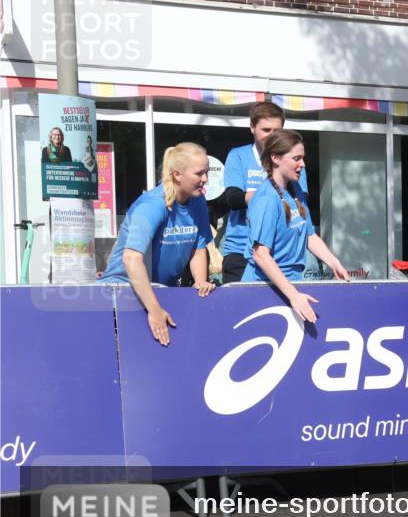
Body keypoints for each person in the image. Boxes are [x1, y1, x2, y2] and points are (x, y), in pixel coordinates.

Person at [98, 142, 216, 346]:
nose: (205, 179)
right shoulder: (152, 205)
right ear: (177, 174)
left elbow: (198, 246)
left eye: (206, 172)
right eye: (199, 174)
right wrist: (154, 310)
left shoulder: (198, 202)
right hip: (123, 293)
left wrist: (200, 282)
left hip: (160, 291)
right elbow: (131, 258)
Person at [241, 129, 350, 323]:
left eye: (303, 158)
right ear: (275, 158)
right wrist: (293, 295)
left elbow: (309, 235)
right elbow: (260, 254)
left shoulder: (295, 188)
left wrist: (334, 263)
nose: (303, 164)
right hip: (263, 290)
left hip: (290, 284)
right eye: (296, 158)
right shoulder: (267, 199)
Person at [220, 102, 306, 283]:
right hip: (240, 248)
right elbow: (233, 199)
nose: (272, 136)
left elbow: (299, 204)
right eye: (266, 130)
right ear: (252, 128)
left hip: (282, 252)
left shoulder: (294, 161)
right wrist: (271, 197)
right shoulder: (238, 155)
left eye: (277, 130)